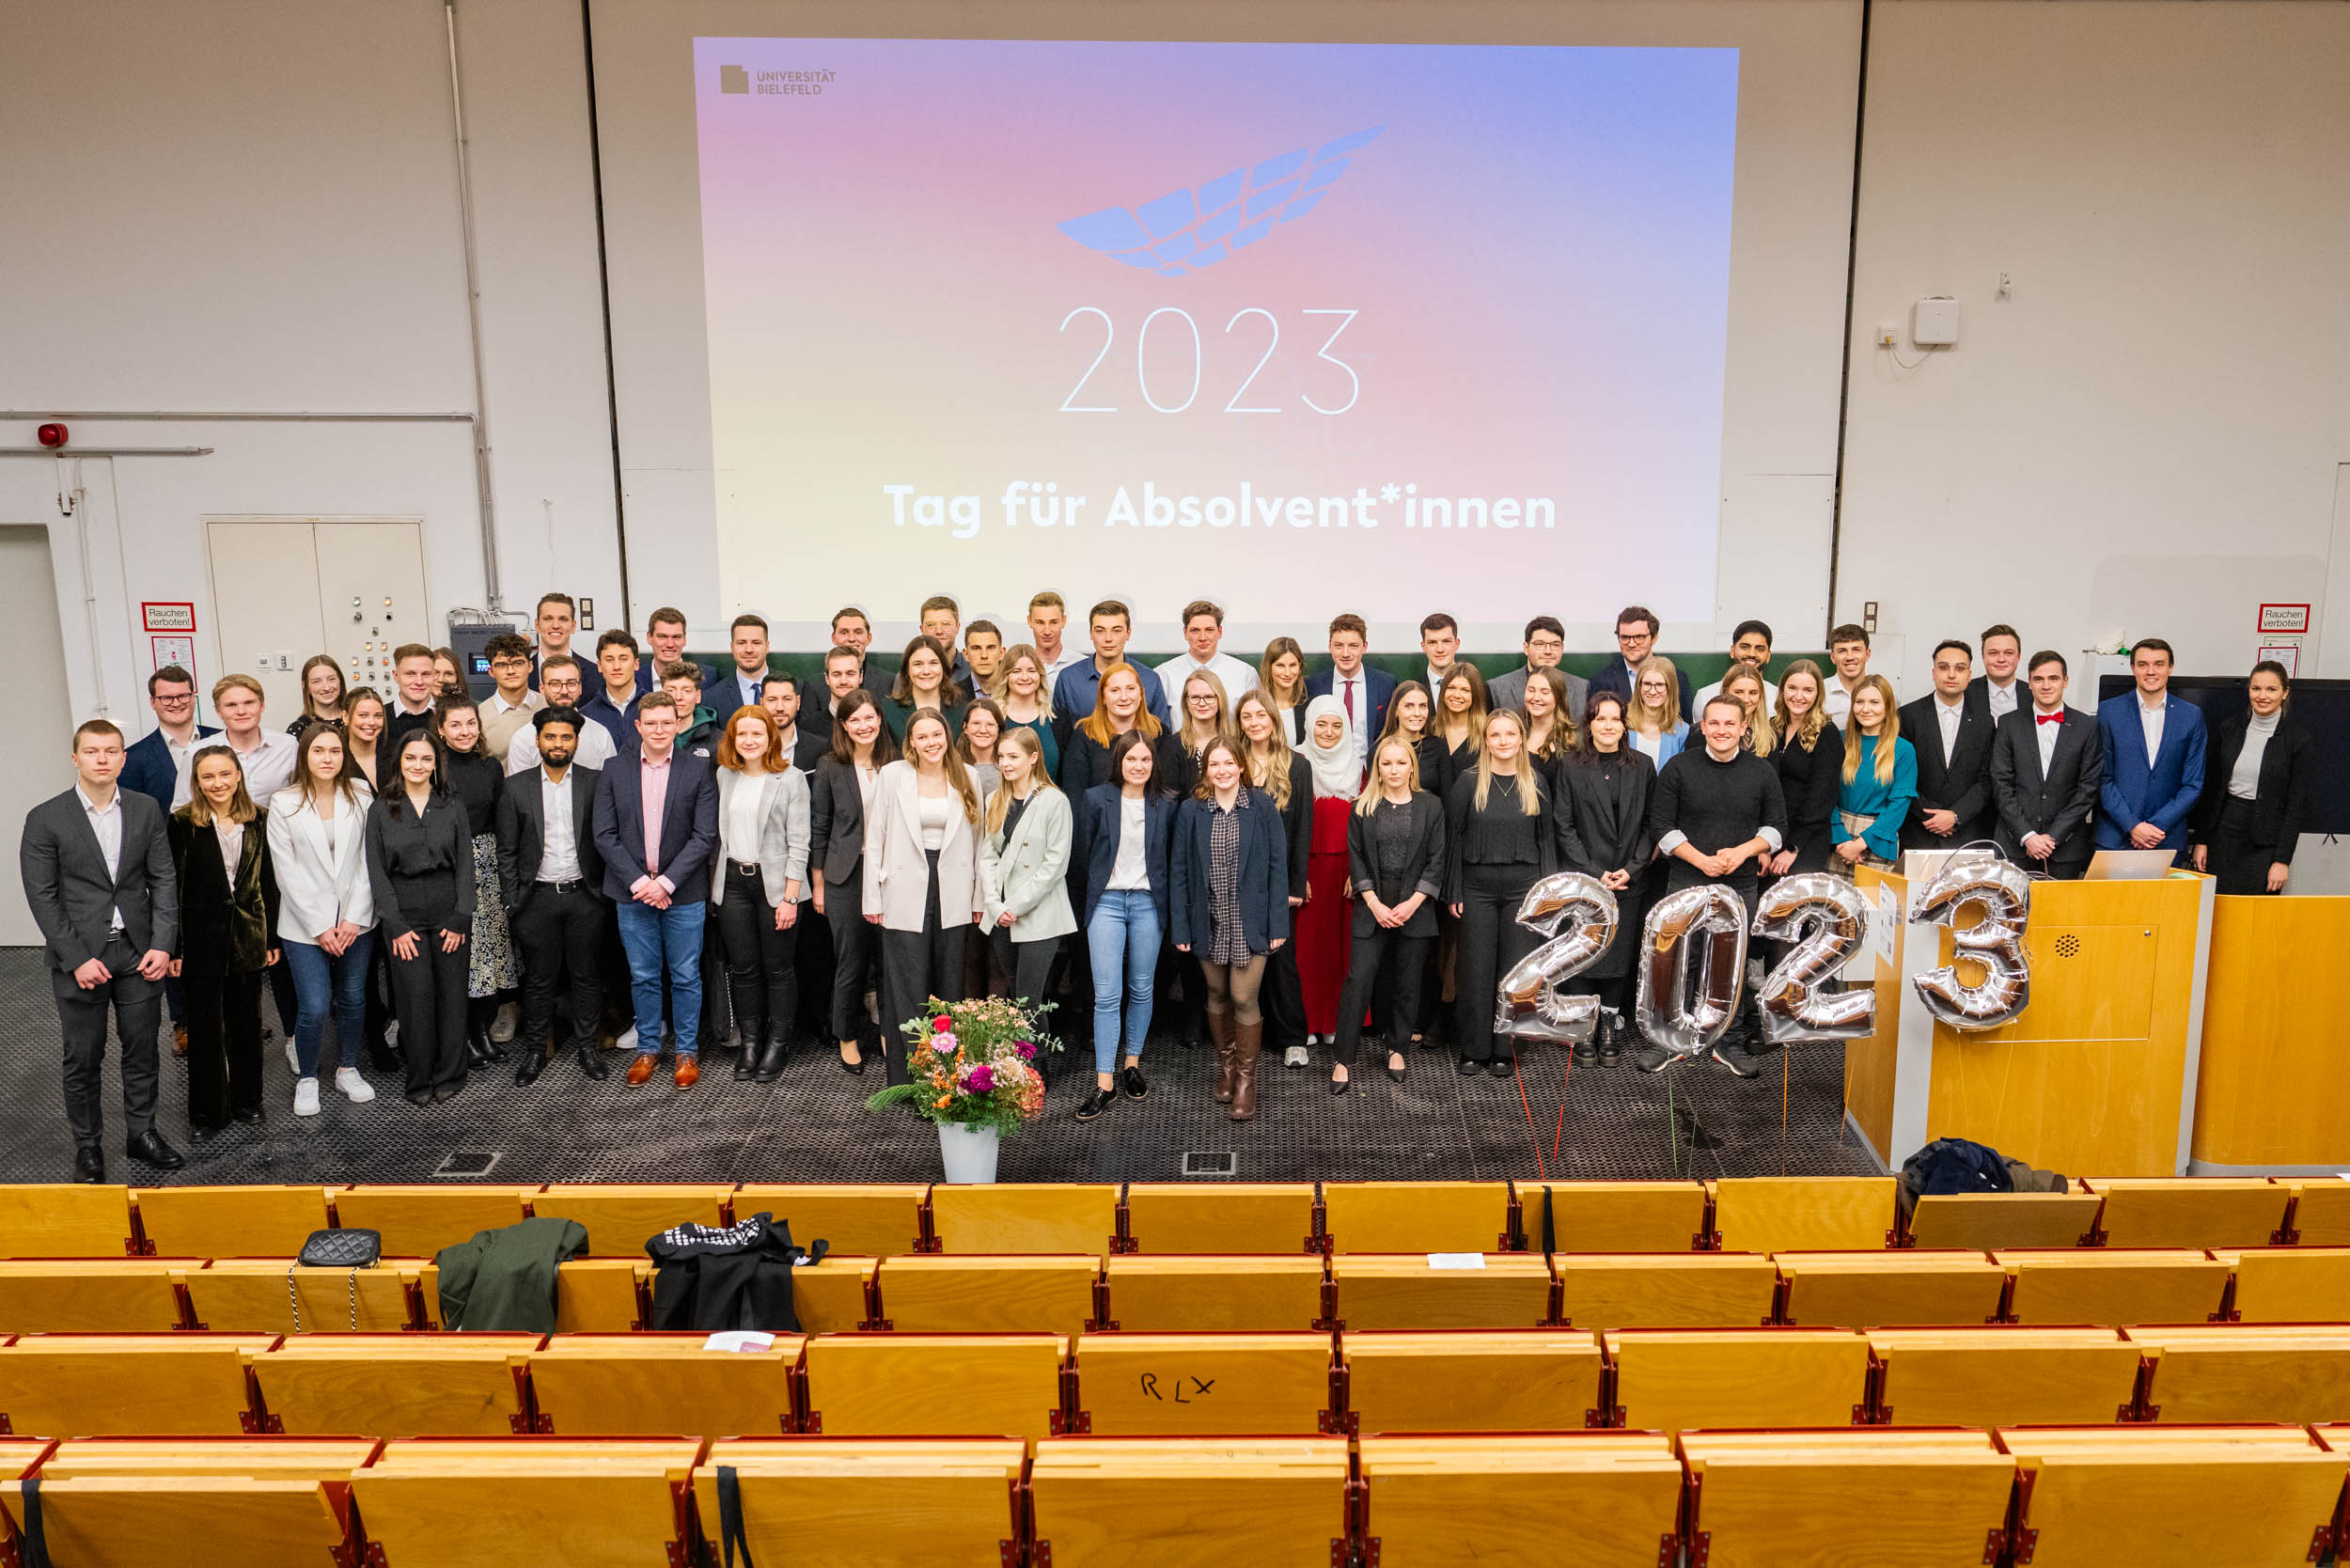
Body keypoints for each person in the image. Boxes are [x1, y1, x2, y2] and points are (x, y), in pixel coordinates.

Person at [22, 719, 182, 1179]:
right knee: (83, 1057)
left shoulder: (145, 808)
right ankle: (88, 1147)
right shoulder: (46, 817)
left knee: (142, 1049)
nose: (102, 759)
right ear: (75, 758)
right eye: (92, 752)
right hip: (80, 957)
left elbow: (163, 880)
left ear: (123, 758)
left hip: (137, 951)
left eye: (111, 751)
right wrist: (76, 959)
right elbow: (43, 896)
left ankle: (141, 1134)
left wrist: (162, 944)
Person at [1643, 694, 1789, 1076]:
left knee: (1732, 965)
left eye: (1730, 724)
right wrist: (1701, 860)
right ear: (1702, 727)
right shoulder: (1677, 768)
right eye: (1714, 723)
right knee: (1679, 961)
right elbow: (1662, 827)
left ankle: (1728, 1042)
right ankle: (1671, 1040)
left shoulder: (1761, 772)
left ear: (1744, 728)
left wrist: (1741, 852)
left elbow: (1775, 829)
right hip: (1687, 879)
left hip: (1739, 884)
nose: (1722, 730)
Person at [592, 692, 720, 1089]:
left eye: (668, 722)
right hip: (631, 892)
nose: (660, 730)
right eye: (652, 723)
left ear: (678, 724)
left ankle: (686, 1053)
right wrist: (640, 883)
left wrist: (664, 883)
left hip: (682, 892)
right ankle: (647, 1049)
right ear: (639, 726)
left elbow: (704, 836)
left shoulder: (698, 770)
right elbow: (604, 835)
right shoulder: (614, 769)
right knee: (643, 975)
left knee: (685, 975)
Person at [1167, 735, 1292, 1117]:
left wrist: (1277, 923)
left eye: (1228, 763)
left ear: (1242, 766)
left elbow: (1277, 868)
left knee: (1243, 997)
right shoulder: (1191, 811)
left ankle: (1246, 1080)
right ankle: (1225, 1067)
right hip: (1208, 920)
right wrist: (1181, 928)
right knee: (1216, 995)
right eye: (1214, 765)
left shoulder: (1263, 807)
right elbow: (1180, 872)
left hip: (1251, 921)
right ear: (1206, 770)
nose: (1222, 771)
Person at [1447, 710, 1573, 1078]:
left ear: (1521, 739)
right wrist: (1454, 888)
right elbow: (1453, 840)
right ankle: (1475, 1048)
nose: (1503, 741)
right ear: (1486, 741)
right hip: (1476, 887)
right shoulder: (1468, 783)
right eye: (1495, 735)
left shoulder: (1535, 781)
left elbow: (1546, 839)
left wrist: (1548, 897)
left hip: (1523, 889)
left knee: (1515, 973)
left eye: (1510, 734)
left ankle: (1505, 1049)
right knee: (1476, 970)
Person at [865, 709, 984, 1081]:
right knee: (908, 987)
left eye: (937, 735)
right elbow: (875, 836)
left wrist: (979, 899)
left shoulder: (969, 775)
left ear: (947, 736)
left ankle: (944, 1077)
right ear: (911, 742)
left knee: (949, 988)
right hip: (901, 889)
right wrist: (872, 898)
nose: (931, 742)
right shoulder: (892, 775)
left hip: (953, 888)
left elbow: (979, 843)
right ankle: (907, 1079)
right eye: (923, 736)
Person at [168, 745, 280, 1138]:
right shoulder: (182, 824)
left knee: (247, 1026)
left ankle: (249, 1101)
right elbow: (173, 891)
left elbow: (269, 882)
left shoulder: (259, 819)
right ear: (197, 782)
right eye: (208, 777)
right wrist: (176, 948)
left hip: (249, 936)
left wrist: (271, 937)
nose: (218, 783)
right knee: (205, 1031)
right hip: (201, 942)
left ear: (238, 776)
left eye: (224, 774)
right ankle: (206, 1114)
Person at [269, 723, 381, 1114]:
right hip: (304, 924)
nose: (327, 758)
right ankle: (308, 1078)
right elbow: (286, 872)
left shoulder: (363, 795)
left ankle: (347, 1068)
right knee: (314, 1005)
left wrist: (354, 917)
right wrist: (319, 926)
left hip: (356, 919)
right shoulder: (284, 802)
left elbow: (372, 861)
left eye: (334, 751)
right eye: (318, 751)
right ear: (305, 756)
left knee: (352, 998)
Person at [497, 706, 606, 1085]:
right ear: (537, 739)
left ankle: (588, 1048)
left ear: (576, 741)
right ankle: (532, 1052)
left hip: (585, 897)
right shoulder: (515, 786)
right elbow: (506, 851)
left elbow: (607, 840)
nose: (558, 744)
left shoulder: (595, 782)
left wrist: (601, 895)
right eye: (550, 736)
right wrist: (513, 901)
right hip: (536, 899)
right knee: (539, 980)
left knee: (587, 977)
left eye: (566, 737)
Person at [367, 729, 475, 1105]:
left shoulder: (450, 803)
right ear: (399, 761)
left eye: (426, 759)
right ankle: (419, 1079)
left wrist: (463, 915)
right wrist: (393, 924)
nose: (418, 765)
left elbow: (466, 863)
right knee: (414, 1000)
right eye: (411, 758)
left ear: (436, 763)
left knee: (451, 997)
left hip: (449, 912)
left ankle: (450, 1074)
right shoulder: (380, 808)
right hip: (405, 916)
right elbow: (376, 871)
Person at [1071, 729, 1174, 1121]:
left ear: (1154, 763)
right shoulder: (1096, 799)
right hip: (1108, 903)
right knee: (1107, 994)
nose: (1139, 766)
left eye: (1145, 760)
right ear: (1119, 762)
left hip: (1148, 903)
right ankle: (1104, 1082)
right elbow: (1082, 857)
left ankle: (1132, 1063)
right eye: (1131, 759)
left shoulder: (1166, 803)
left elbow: (1170, 860)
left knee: (1142, 987)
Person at [1330, 734, 1442, 1090]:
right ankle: (1343, 1058)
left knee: (1408, 982)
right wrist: (1375, 903)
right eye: (1386, 763)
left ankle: (1397, 1048)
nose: (1394, 769)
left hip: (1416, 905)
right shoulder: (1362, 806)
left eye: (1400, 762)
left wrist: (1412, 903)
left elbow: (1437, 860)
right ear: (1377, 768)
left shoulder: (1431, 806)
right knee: (1358, 978)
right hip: (1372, 903)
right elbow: (1357, 860)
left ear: (1412, 766)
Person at [713, 703, 810, 1081]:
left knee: (779, 969)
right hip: (734, 883)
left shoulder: (791, 778)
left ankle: (777, 1045)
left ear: (770, 737)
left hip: (775, 887)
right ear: (733, 739)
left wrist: (790, 898)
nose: (750, 740)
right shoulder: (725, 775)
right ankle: (751, 1043)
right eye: (742, 733)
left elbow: (800, 843)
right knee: (744, 969)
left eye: (758, 733)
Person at [1559, 692, 1656, 1067]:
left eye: (1615, 719)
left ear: (1624, 725)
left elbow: (1652, 824)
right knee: (1584, 951)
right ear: (1589, 725)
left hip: (1628, 879)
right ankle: (1585, 1025)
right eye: (1601, 719)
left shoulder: (1643, 766)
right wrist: (1592, 871)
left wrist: (1631, 868)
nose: (1608, 726)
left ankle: (1610, 1026)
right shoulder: (1571, 766)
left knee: (1618, 953)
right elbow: (1563, 826)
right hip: (1587, 878)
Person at [809, 691, 897, 1075]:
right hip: (845, 875)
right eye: (855, 720)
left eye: (869, 718)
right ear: (844, 726)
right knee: (851, 959)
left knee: (890, 960)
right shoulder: (830, 766)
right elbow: (820, 828)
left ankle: (889, 1034)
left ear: (880, 719)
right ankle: (845, 1035)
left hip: (892, 874)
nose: (864, 726)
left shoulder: (897, 764)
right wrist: (818, 884)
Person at [434, 694, 518, 1070]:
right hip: (451, 865)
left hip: (487, 864)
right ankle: (463, 1036)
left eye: (471, 724)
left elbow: (502, 820)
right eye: (455, 724)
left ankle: (482, 1031)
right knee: (462, 959)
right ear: (440, 730)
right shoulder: (434, 768)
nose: (465, 731)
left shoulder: (489, 768)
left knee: (491, 958)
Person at [979, 726, 1075, 1021]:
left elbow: (1055, 865)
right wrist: (995, 905)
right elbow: (987, 856)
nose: (1005, 763)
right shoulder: (994, 799)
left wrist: (1014, 906)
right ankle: (1022, 1064)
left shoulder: (1054, 801)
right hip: (1002, 916)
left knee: (1029, 998)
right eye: (1001, 757)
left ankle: (1038, 1064)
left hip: (1038, 914)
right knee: (1014, 992)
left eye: (1013, 756)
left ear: (1033, 757)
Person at [2191, 661, 2311, 895]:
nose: (2262, 696)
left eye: (2271, 689)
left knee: (2256, 918)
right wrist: (2201, 840)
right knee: (2218, 911)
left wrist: (2282, 861)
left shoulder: (2298, 740)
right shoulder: (2230, 729)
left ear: (2285, 692)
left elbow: (2296, 807)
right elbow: (2213, 789)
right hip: (2223, 836)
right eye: (2256, 688)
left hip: (2265, 844)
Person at [1991, 651, 2104, 878]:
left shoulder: (2087, 726)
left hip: (2066, 849)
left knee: (2060, 913)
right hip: (2015, 846)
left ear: (2065, 681)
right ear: (2030, 683)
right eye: (2038, 679)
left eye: (2053, 678)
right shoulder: (2008, 723)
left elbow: (2088, 789)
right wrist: (2027, 835)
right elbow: (2001, 784)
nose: (2046, 685)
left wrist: (2053, 836)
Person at [1292, 695, 1359, 1065]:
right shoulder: (1296, 761)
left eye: (1337, 725)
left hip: (1347, 871)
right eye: (1322, 724)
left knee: (1341, 949)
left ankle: (1334, 1021)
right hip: (1309, 870)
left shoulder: (1359, 765)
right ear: (1309, 725)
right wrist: (1296, 874)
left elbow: (1366, 824)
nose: (1329, 732)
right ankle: (1306, 1021)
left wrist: (1359, 873)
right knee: (1307, 949)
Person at [2096, 636, 2207, 860]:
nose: (2151, 671)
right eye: (2143, 664)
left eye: (2159, 664)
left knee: (2162, 898)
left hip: (2166, 838)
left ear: (2170, 668)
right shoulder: (2109, 712)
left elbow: (2193, 784)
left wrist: (2154, 827)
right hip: (2115, 838)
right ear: (2132, 668)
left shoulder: (2191, 716)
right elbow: (2102, 778)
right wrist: (2133, 826)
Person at [1901, 640, 1998, 851]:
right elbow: (1900, 777)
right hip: (1918, 832)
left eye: (1960, 668)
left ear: (1969, 675)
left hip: (1966, 834)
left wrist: (1955, 815)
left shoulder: (1985, 722)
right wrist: (1934, 816)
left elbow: (1986, 780)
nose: (1951, 675)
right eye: (1944, 667)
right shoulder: (1908, 716)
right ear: (1933, 672)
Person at [1058, 662, 1182, 801]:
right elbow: (1075, 795)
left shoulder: (1158, 733)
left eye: (1130, 689)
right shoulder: (1085, 734)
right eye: (1115, 690)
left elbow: (1167, 793)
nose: (1124, 697)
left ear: (1141, 694)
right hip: (1098, 820)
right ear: (1103, 697)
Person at [1053, 600, 1170, 745]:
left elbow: (1162, 738)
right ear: (1090, 633)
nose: (1108, 638)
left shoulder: (1149, 680)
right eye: (1100, 630)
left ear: (1128, 633)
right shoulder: (1068, 680)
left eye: (1116, 630)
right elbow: (1059, 740)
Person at [1830, 676, 1916, 873]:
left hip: (1878, 841)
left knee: (1874, 904)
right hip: (1837, 841)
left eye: (1874, 702)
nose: (1866, 709)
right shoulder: (1838, 741)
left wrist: (1860, 844)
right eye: (1859, 702)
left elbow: (1899, 806)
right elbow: (1825, 794)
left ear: (1888, 706)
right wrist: (1843, 839)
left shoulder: (1903, 749)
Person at [1765, 661, 1843, 873]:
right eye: (1792, 688)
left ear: (1818, 695)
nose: (1799, 696)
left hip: (1805, 841)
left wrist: (1793, 848)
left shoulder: (1827, 733)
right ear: (1782, 690)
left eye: (1808, 690)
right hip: (1770, 836)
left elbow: (1821, 798)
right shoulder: (1772, 727)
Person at [1303, 614, 1394, 779]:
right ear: (1330, 646)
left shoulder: (1386, 684)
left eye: (1353, 646)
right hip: (1326, 778)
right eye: (1338, 645)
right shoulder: (1314, 686)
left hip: (1372, 777)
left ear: (1364, 647)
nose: (1346, 653)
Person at [121, 665, 218, 816]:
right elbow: (135, 818)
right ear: (153, 702)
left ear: (193, 698)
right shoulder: (133, 758)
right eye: (166, 698)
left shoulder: (222, 740)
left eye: (183, 696)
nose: (176, 703)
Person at [504, 655, 617, 775]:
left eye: (571, 683)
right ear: (542, 689)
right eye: (555, 684)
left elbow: (611, 786)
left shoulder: (601, 735)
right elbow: (520, 789)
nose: (564, 691)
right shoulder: (523, 739)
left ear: (580, 688)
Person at [1589, 606, 1691, 723]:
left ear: (1654, 638)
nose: (1631, 644)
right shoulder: (1602, 681)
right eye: (1625, 637)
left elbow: (1686, 726)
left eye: (1639, 637)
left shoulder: (1679, 679)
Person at [212, 673, 301, 807]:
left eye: (249, 703)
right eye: (231, 705)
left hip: (275, 826)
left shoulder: (288, 746)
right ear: (219, 711)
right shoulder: (199, 752)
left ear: (262, 706)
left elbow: (304, 796)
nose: (241, 711)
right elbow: (181, 811)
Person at [1482, 615, 1590, 724]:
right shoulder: (1496, 689)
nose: (1548, 651)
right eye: (1540, 644)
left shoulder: (1582, 688)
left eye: (1555, 645)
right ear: (1526, 648)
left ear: (1562, 648)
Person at [1157, 598, 1259, 699]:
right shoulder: (1164, 675)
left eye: (1209, 630)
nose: (1202, 638)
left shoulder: (1245, 674)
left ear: (1219, 632)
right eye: (1195, 630)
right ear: (1185, 633)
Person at [883, 634, 967, 742]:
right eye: (918, 664)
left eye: (933, 663)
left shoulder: (962, 710)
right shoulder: (889, 711)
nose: (926, 671)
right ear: (907, 670)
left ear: (943, 667)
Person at [476, 633, 544, 759]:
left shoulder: (548, 707)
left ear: (530, 666)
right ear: (491, 671)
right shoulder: (479, 717)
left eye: (518, 663)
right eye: (501, 665)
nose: (511, 671)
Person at [998, 643, 1060, 779]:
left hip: (1050, 798)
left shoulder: (1055, 716)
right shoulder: (994, 717)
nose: (1025, 677)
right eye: (1016, 671)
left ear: (1040, 675)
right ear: (1006, 676)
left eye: (1032, 671)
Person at [1169, 668, 1233, 798]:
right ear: (1186, 702)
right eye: (1195, 697)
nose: (1202, 703)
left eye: (1209, 697)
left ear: (1219, 700)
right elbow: (1170, 802)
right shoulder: (1172, 746)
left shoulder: (1235, 743)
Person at [1430, 665, 1488, 806]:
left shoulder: (1487, 734)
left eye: (1465, 690)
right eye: (1451, 688)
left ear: (1476, 695)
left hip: (1473, 818)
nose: (1457, 695)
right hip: (1433, 819)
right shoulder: (1428, 730)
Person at [1691, 621, 1778, 713]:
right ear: (1732, 651)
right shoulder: (1705, 696)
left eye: (1760, 649)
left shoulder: (1777, 697)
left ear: (1768, 655)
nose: (1752, 654)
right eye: (1744, 647)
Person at [580, 630, 645, 748]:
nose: (616, 667)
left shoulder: (655, 708)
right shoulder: (586, 715)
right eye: (609, 660)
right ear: (599, 666)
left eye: (623, 659)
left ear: (636, 664)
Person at [706, 614, 776, 715]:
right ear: (732, 647)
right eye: (741, 643)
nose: (749, 650)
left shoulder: (795, 689)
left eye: (756, 643)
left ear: (767, 646)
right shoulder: (711, 698)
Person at [1625, 657, 1689, 767]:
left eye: (1660, 685)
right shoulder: (1622, 724)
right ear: (1639, 686)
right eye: (1647, 684)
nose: (1652, 691)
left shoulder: (1682, 731)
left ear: (1670, 688)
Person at [761, 672, 828, 776]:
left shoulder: (820, 748)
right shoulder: (751, 747)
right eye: (772, 700)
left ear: (798, 703)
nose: (779, 708)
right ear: (761, 704)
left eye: (787, 699)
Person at [1521, 666, 1577, 784]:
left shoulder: (1572, 740)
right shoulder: (1513, 731)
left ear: (1558, 697)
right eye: (1531, 690)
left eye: (1545, 692)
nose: (1536, 698)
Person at [1821, 624, 1884, 727]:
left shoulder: (1884, 693)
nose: (1850, 657)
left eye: (1856, 650)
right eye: (1842, 651)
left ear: (1867, 654)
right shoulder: (1819, 693)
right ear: (1833, 657)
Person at [384, 645, 443, 752]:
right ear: (396, 676)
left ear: (434, 676)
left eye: (426, 674)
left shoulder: (448, 716)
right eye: (410, 674)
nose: (419, 682)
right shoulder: (380, 718)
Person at [917, 594, 978, 692]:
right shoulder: (911, 670)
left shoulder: (973, 667)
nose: (939, 631)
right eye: (931, 625)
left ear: (957, 627)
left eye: (945, 624)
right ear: (922, 629)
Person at [1259, 636, 1309, 746]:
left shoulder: (1309, 706)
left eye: (1293, 665)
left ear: (1300, 667)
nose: (1287, 673)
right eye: (1280, 666)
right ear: (1269, 667)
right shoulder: (1257, 705)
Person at [1026, 591, 1085, 682]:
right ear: (1029, 621)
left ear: (1064, 621)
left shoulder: (1082, 665)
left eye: (1054, 622)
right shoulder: (1019, 668)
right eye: (1040, 623)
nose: (1047, 631)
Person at [1973, 624, 2027, 724]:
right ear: (1983, 656)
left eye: (2009, 653)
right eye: (1993, 653)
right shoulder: (1965, 692)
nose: (2001, 659)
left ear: (2018, 657)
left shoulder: (2034, 694)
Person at [526, 592, 579, 690]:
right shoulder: (521, 674)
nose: (555, 625)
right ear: (537, 626)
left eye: (563, 619)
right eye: (548, 619)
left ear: (573, 626)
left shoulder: (595, 674)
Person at [1718, 666, 1772, 757]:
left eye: (1753, 693)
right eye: (1738, 692)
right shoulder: (1702, 732)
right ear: (1725, 691)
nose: (1746, 700)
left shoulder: (1771, 735)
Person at [289, 654, 350, 735]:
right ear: (305, 686)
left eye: (331, 679)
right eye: (317, 682)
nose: (326, 688)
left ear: (340, 681)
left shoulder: (356, 721)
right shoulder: (299, 728)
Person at [958, 698, 1006, 798]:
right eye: (976, 723)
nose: (983, 730)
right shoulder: (954, 766)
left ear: (999, 729)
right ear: (965, 728)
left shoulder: (1008, 766)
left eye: (990, 724)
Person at [345, 686, 388, 792]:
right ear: (345, 717)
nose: (371, 722)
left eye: (378, 716)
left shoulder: (397, 753)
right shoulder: (336, 758)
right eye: (363, 715)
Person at [644, 606, 695, 693]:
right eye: (662, 637)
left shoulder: (707, 677)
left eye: (677, 637)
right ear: (649, 638)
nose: (670, 644)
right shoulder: (633, 679)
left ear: (685, 639)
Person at [1418, 613, 1463, 698]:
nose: (1440, 649)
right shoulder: (1413, 690)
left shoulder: (1476, 687)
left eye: (1446, 641)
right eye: (1432, 642)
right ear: (1423, 646)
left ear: (1457, 644)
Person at [964, 619, 1007, 698]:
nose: (984, 655)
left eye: (990, 648)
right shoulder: (951, 695)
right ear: (966, 654)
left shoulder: (1016, 691)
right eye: (976, 648)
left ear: (1002, 653)